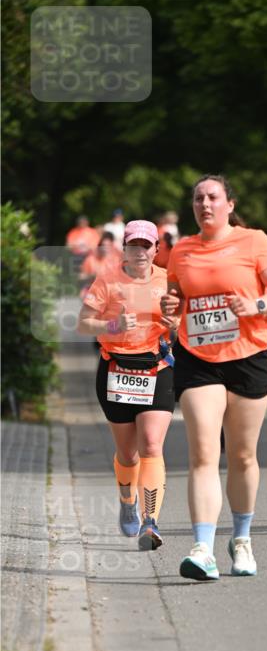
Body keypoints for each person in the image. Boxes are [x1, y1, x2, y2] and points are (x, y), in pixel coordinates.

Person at [160, 174, 267, 580]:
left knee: (241, 455)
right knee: (203, 453)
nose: (205, 204)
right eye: (198, 198)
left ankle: (241, 539)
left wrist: (255, 304)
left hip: (248, 355)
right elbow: (175, 302)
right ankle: (202, 548)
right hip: (198, 358)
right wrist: (170, 309)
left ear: (229, 205)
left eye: (213, 197)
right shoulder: (181, 251)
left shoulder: (254, 241)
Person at [76, 220, 175, 551]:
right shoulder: (108, 279)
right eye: (134, 245)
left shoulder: (167, 279)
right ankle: (126, 499)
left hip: (157, 368)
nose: (141, 252)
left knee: (151, 445)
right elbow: (83, 323)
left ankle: (150, 521)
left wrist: (174, 326)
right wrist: (114, 324)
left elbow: (183, 325)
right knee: (128, 453)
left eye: (147, 246)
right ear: (125, 249)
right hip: (116, 370)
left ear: (156, 249)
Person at [78, 231, 122, 298]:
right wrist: (92, 276)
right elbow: (80, 277)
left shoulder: (116, 259)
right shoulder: (90, 259)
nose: (105, 248)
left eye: (109, 246)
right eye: (103, 245)